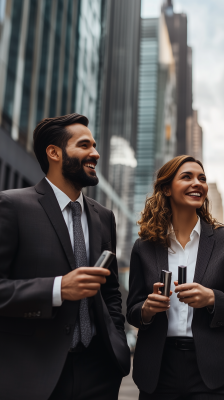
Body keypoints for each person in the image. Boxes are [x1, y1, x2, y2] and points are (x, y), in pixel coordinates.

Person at [0, 114, 130, 400]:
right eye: (84, 145)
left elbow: (110, 294)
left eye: (94, 145)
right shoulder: (12, 206)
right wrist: (58, 289)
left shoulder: (104, 217)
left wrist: (117, 343)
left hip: (99, 371)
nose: (95, 153)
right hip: (33, 375)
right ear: (54, 152)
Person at [127, 155, 224, 399]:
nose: (197, 183)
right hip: (158, 371)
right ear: (166, 188)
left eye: (202, 178)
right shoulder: (143, 247)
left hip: (215, 371)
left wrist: (212, 298)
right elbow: (132, 310)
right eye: (187, 177)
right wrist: (146, 309)